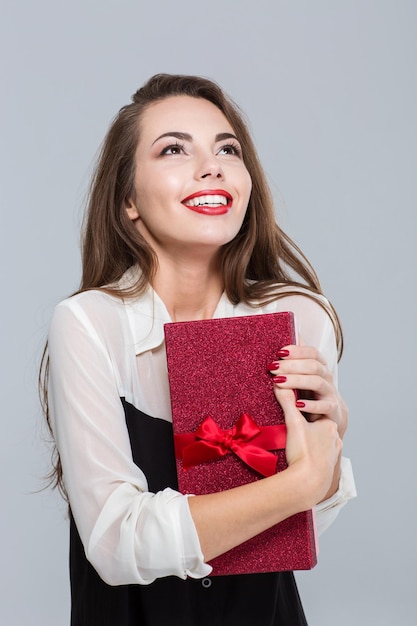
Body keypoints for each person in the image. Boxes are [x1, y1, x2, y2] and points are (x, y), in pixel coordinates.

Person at [41, 73, 356, 625]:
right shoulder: (90, 322)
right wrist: (302, 481)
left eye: (227, 149)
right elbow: (115, 543)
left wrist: (325, 460)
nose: (211, 166)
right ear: (128, 201)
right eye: (173, 149)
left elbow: (295, 535)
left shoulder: (300, 316)